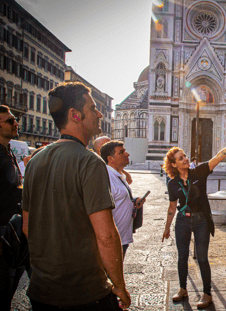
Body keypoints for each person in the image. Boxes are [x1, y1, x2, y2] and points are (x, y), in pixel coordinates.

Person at [22, 82, 130, 310]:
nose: (99, 113)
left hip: (41, 292)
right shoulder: (89, 162)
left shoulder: (35, 162)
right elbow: (106, 236)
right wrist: (119, 285)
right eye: (92, 108)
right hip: (84, 294)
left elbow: (27, 228)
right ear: (75, 115)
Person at [162, 137, 226, 308]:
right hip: (182, 220)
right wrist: (166, 228)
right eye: (181, 158)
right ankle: (182, 289)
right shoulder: (173, 183)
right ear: (174, 165)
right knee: (182, 257)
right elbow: (172, 206)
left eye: (185, 156)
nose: (186, 159)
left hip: (201, 220)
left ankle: (207, 294)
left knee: (202, 258)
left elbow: (218, 157)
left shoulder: (199, 172)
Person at [100, 140, 145, 258]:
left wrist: (134, 202)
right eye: (121, 152)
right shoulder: (107, 177)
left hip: (122, 237)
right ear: (110, 159)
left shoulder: (118, 175)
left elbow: (118, 199)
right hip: (114, 240)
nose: (127, 154)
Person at [0, 105, 25, 309]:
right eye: (10, 121)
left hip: (11, 231)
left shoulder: (8, 152)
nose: (16, 123)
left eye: (15, 119)